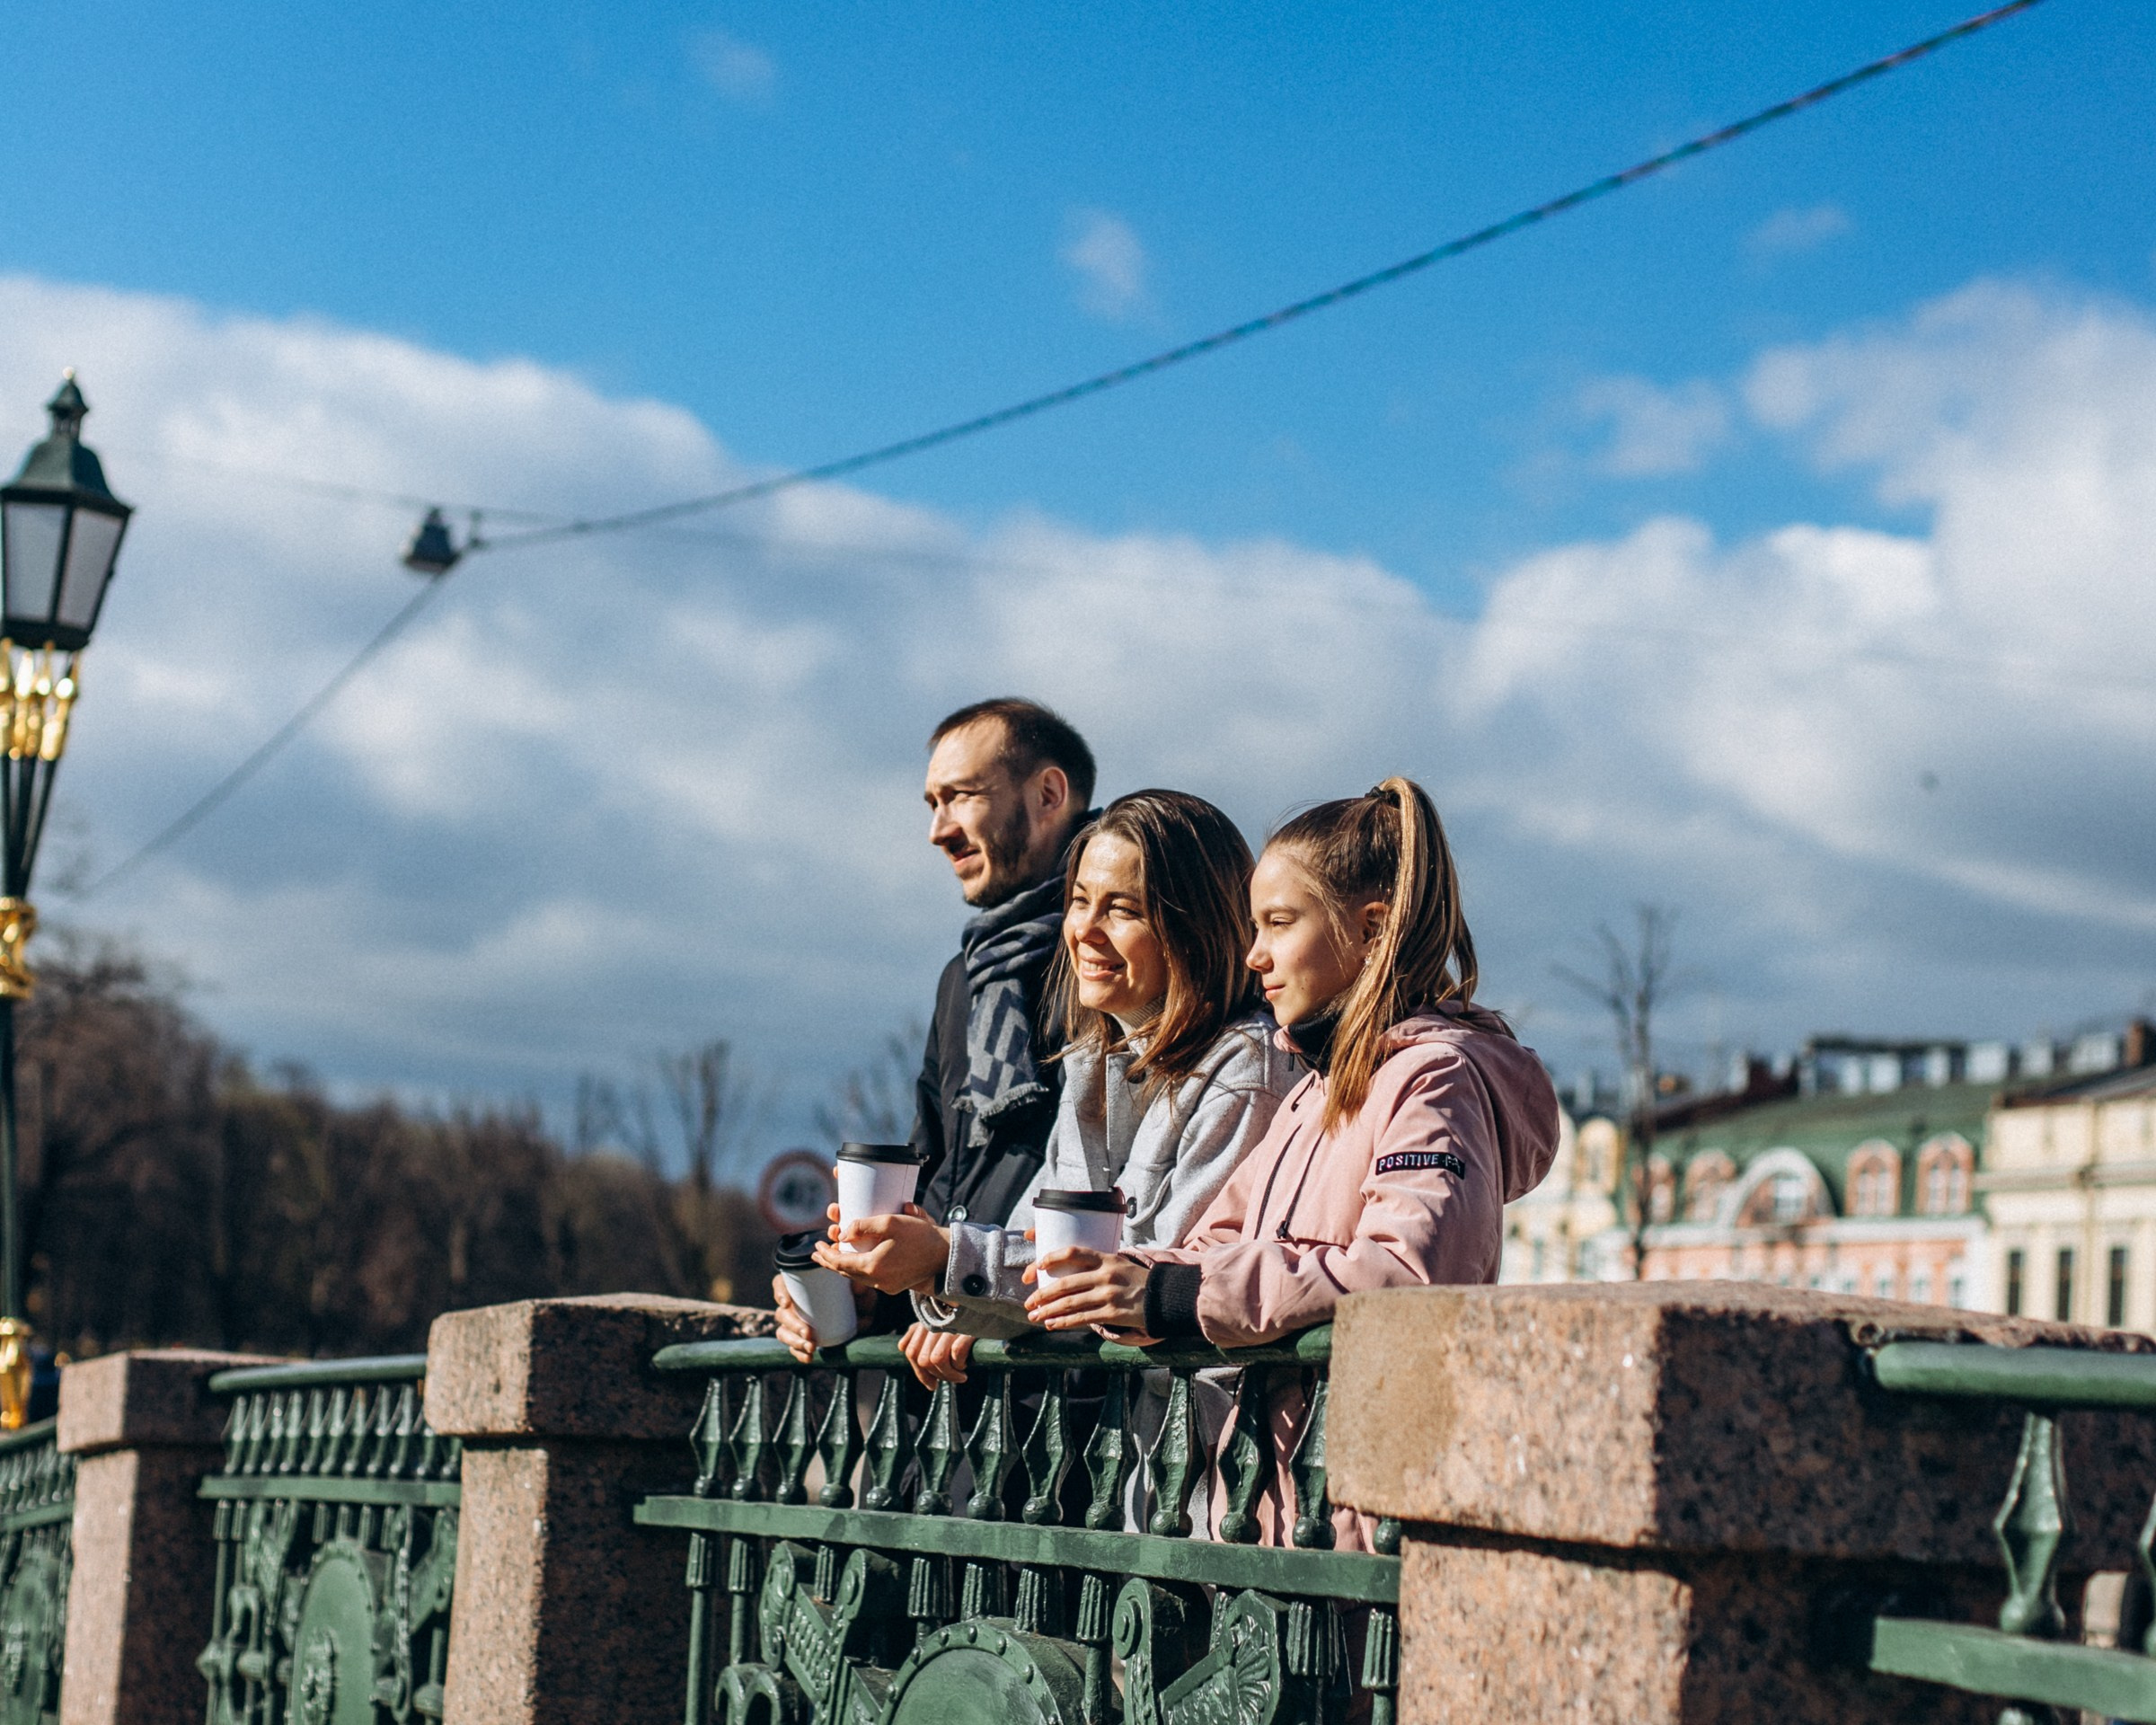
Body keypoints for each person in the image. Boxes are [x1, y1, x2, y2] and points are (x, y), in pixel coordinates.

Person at [1021, 776, 1560, 1546]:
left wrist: (1174, 1297)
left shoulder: (1431, 1079)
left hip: (1361, 1527)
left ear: (1372, 932)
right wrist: (1119, 1281)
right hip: (1275, 1509)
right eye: (1252, 926)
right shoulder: (1317, 1089)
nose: (1255, 955)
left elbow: (1406, 1277)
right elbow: (1215, 1243)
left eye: (1278, 923)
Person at [817, 790, 1303, 1386]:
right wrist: (942, 1287)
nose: (1085, 931)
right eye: (1079, 901)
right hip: (1124, 1451)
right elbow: (1040, 1253)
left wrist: (949, 1256)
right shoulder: (1089, 1064)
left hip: (1211, 1452)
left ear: (1193, 927)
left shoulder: (1248, 1067)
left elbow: (1147, 1275)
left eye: (1123, 909)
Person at [773, 698, 1096, 1358]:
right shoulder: (966, 975)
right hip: (951, 1376)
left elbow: (1116, 1185)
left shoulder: (1118, 958)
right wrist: (867, 1286)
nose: (938, 830)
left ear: (1049, 794)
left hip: (1064, 1391)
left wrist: (970, 1287)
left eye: (961, 797)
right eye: (931, 804)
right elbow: (934, 1181)